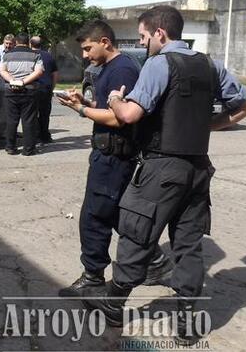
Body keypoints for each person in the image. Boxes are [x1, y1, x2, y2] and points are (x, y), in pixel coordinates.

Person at [84, 5, 246, 345]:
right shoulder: (210, 64)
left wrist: (117, 99)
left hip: (161, 168)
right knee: (188, 245)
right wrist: (209, 126)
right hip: (198, 169)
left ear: (160, 33)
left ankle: (114, 303)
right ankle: (188, 322)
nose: (144, 44)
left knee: (137, 233)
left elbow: (131, 114)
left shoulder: (159, 64)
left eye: (145, 37)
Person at [56, 19, 172, 298]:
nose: (85, 55)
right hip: (110, 155)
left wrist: (81, 112)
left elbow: (119, 118)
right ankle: (155, 262)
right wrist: (83, 103)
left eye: (87, 48)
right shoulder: (110, 68)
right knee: (119, 215)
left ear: (105, 42)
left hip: (114, 157)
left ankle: (93, 276)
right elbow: (106, 106)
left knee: (94, 216)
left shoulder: (122, 69)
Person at [0, 32, 43, 155]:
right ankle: (28, 149)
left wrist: (13, 80)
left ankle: (10, 147)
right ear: (28, 42)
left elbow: (1, 70)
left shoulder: (7, 55)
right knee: (28, 120)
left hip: (10, 90)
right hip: (29, 90)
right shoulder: (35, 55)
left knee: (11, 120)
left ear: (16, 42)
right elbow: (39, 72)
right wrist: (23, 82)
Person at [30, 36, 59, 144]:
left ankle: (35, 135)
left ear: (30, 44)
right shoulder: (49, 56)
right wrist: (52, 87)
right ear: (41, 44)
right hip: (46, 88)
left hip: (32, 87)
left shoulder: (28, 55)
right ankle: (45, 136)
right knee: (45, 114)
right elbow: (55, 74)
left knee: (32, 113)